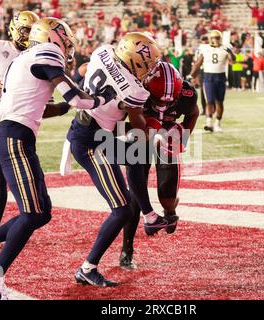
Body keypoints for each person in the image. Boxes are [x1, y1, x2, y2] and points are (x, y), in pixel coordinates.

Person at [0, 17, 113, 300]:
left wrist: (67, 106)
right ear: (51, 36)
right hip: (14, 136)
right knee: (32, 213)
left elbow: (41, 106)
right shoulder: (46, 53)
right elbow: (77, 98)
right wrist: (101, 100)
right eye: (63, 36)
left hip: (11, 133)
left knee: (42, 212)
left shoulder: (24, 59)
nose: (66, 43)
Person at [65, 32, 166, 286]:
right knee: (121, 209)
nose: (152, 70)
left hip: (85, 130)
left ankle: (149, 215)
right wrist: (155, 134)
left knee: (134, 160)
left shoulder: (102, 52)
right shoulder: (135, 91)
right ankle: (88, 268)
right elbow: (137, 127)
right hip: (92, 143)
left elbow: (85, 68)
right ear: (134, 60)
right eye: (149, 64)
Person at [120, 61, 199, 269]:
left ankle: (170, 211)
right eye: (158, 100)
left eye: (170, 101)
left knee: (168, 196)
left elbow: (193, 113)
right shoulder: (134, 88)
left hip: (167, 135)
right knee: (136, 196)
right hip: (140, 133)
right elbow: (122, 121)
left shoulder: (187, 93)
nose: (164, 105)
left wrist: (183, 136)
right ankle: (127, 250)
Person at [0, 11, 39, 237]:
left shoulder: (34, 55)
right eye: (25, 30)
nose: (29, 36)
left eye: (33, 32)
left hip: (12, 119)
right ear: (14, 28)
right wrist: (0, 85)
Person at [189, 30, 234, 133]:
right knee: (209, 101)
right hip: (208, 77)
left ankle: (217, 123)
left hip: (221, 77)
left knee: (219, 102)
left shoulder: (225, 48)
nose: (215, 40)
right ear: (210, 39)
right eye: (213, 38)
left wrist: (230, 52)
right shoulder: (205, 48)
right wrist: (191, 75)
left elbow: (233, 61)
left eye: (217, 38)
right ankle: (209, 123)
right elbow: (198, 63)